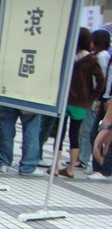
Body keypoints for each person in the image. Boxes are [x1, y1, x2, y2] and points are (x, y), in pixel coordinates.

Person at [49, 28, 104, 178]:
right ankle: (71, 168)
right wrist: (92, 96)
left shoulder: (67, 56)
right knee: (74, 134)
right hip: (81, 103)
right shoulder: (92, 59)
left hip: (64, 99)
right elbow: (101, 80)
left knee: (59, 134)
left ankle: (55, 167)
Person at [75, 29, 110, 170]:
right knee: (90, 130)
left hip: (100, 99)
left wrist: (96, 96)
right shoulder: (103, 56)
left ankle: (86, 159)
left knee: (90, 130)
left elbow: (102, 79)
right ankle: (86, 158)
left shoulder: (101, 57)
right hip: (101, 97)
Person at [90, 91, 112, 181]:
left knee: (98, 143)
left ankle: (105, 169)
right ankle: (103, 168)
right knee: (101, 143)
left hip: (107, 120)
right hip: (105, 100)